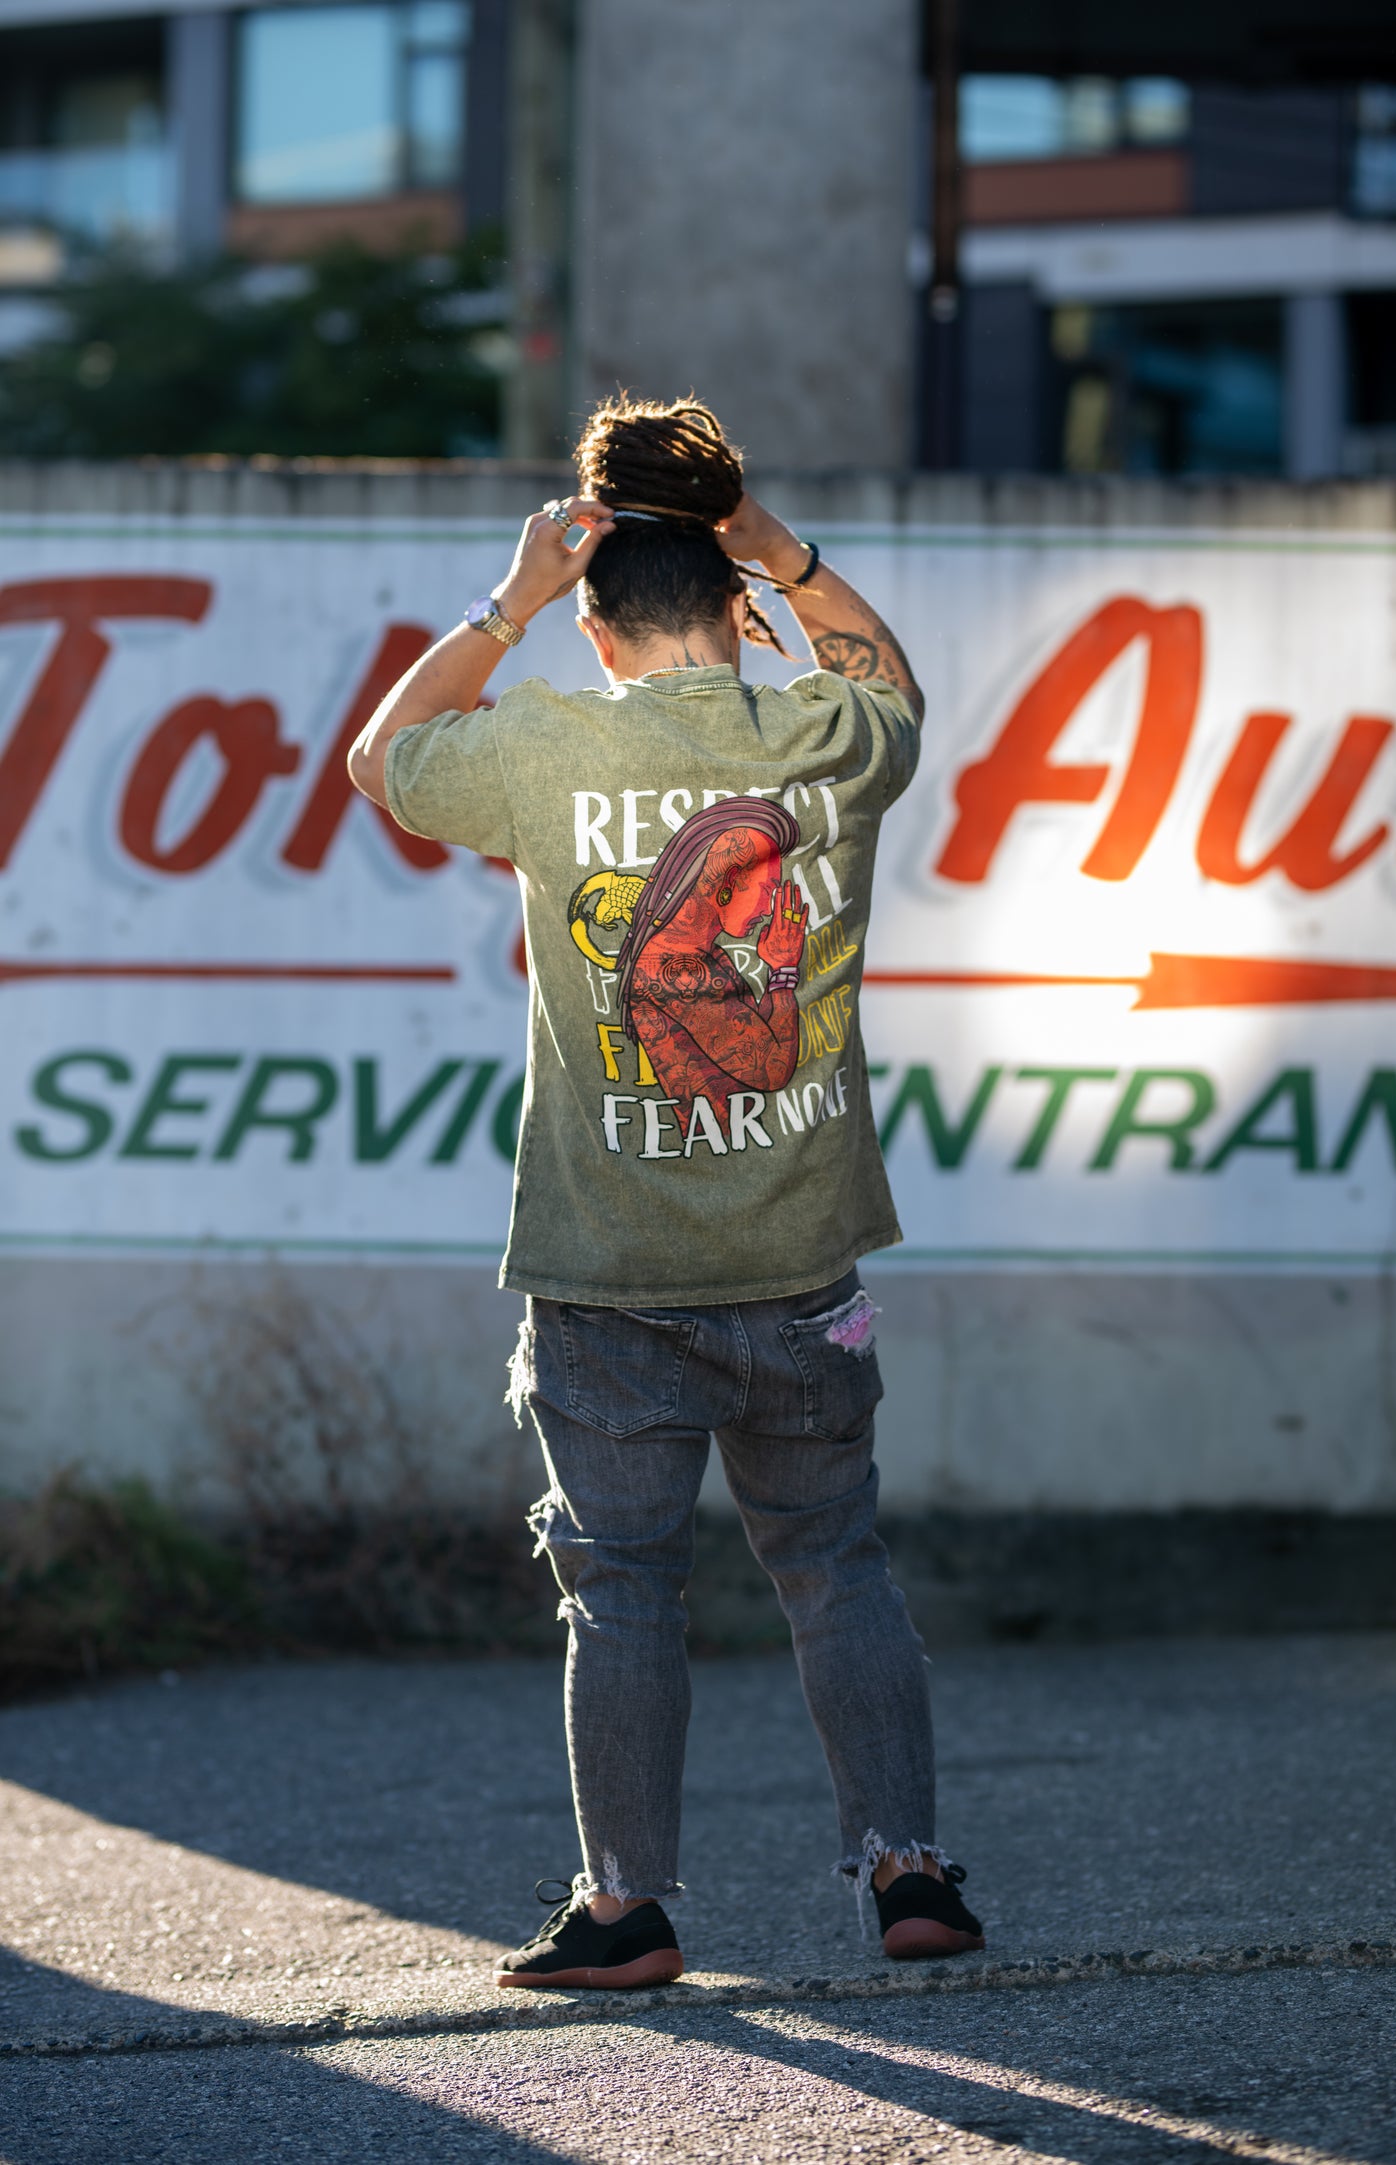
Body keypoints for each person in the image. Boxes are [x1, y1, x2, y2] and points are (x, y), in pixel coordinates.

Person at [348, 395, 984, 1991]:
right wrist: (796, 557)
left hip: (612, 1271)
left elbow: (379, 758)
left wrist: (505, 603)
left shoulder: (546, 743)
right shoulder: (823, 738)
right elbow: (889, 683)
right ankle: (909, 1873)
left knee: (619, 1593)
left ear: (597, 621)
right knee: (836, 1565)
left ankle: (627, 1906)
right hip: (804, 1265)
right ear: (733, 607)